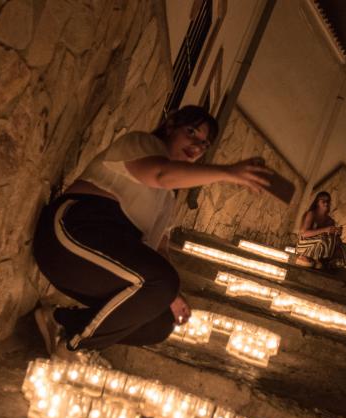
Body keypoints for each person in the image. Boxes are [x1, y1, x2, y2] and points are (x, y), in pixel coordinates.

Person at [32, 106, 271, 359]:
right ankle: (73, 343)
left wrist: (170, 296)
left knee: (159, 322)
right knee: (162, 283)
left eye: (205, 143)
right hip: (71, 234)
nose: (197, 146)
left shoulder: (168, 198)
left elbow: (158, 249)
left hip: (107, 258)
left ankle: (60, 320)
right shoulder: (141, 143)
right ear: (170, 126)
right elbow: (161, 173)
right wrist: (227, 172)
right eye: (191, 132)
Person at [294, 191, 346, 269]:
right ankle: (309, 257)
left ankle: (326, 261)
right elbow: (304, 234)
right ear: (317, 203)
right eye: (323, 201)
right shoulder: (311, 214)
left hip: (324, 244)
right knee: (324, 240)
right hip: (306, 243)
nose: (326, 203)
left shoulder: (330, 220)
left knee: (345, 247)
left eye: (328, 201)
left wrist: (337, 233)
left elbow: (331, 236)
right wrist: (325, 229)